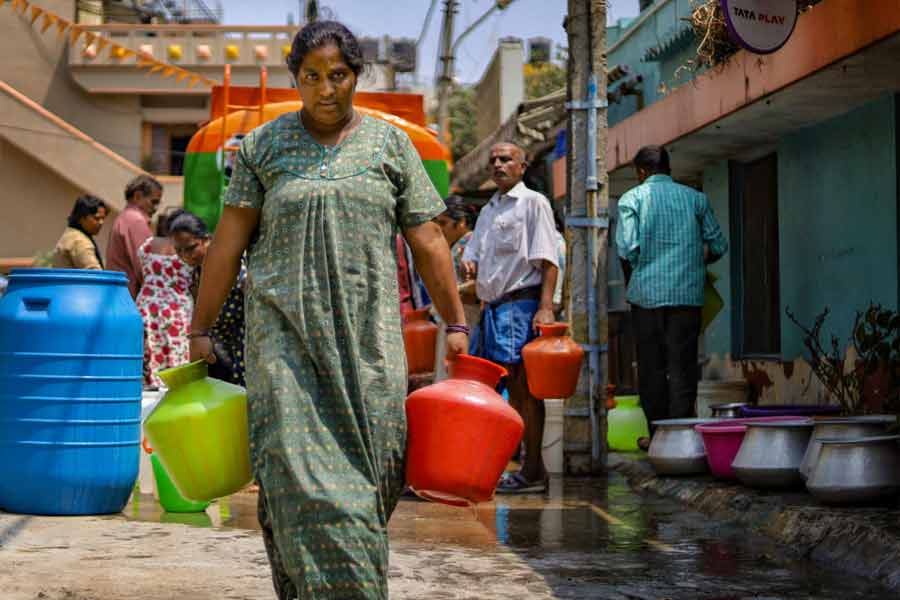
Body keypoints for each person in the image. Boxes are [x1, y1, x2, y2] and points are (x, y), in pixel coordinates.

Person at [187, 21, 467, 599]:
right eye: (311, 76)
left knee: (367, 485)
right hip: (282, 346)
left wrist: (455, 321)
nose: (325, 89)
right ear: (296, 79)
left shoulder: (391, 146)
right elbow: (228, 243)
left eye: (337, 75)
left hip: (367, 348)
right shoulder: (263, 147)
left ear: (355, 76)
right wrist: (200, 328)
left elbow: (429, 241)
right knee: (296, 481)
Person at [461, 142, 559, 495]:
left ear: (522, 166)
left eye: (506, 160)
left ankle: (532, 470)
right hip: (491, 309)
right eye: (494, 160)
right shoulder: (489, 209)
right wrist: (469, 262)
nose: (498, 165)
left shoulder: (533, 203)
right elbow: (473, 254)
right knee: (486, 387)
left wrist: (545, 306)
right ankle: (507, 465)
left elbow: (549, 260)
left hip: (520, 305)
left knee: (524, 390)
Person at [615, 145, 728, 450]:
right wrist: (693, 260)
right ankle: (681, 441)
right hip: (686, 297)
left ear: (640, 172)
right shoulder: (695, 199)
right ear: (668, 168)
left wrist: (646, 268)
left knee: (652, 368)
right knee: (683, 366)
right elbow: (718, 245)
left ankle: (657, 439)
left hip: (646, 298)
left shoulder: (632, 199)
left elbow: (628, 249)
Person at [169, 210, 246, 387]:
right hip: (216, 345)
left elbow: (246, 287)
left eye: (190, 248)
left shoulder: (228, 264)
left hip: (240, 341)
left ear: (206, 239)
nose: (185, 255)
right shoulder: (196, 272)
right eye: (179, 251)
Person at [136, 210, 193, 388]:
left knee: (151, 352)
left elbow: (140, 274)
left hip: (147, 306)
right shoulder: (186, 248)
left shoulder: (147, 245)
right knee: (177, 356)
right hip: (177, 310)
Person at [107, 175, 163, 298]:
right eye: (153, 202)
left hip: (119, 296)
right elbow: (146, 268)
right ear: (137, 196)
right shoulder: (135, 221)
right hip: (130, 299)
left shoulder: (125, 217)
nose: (155, 209)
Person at [52, 195, 108, 270]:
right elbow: (95, 276)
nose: (101, 222)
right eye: (97, 218)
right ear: (82, 218)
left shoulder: (72, 234)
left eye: (103, 218)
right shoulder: (79, 241)